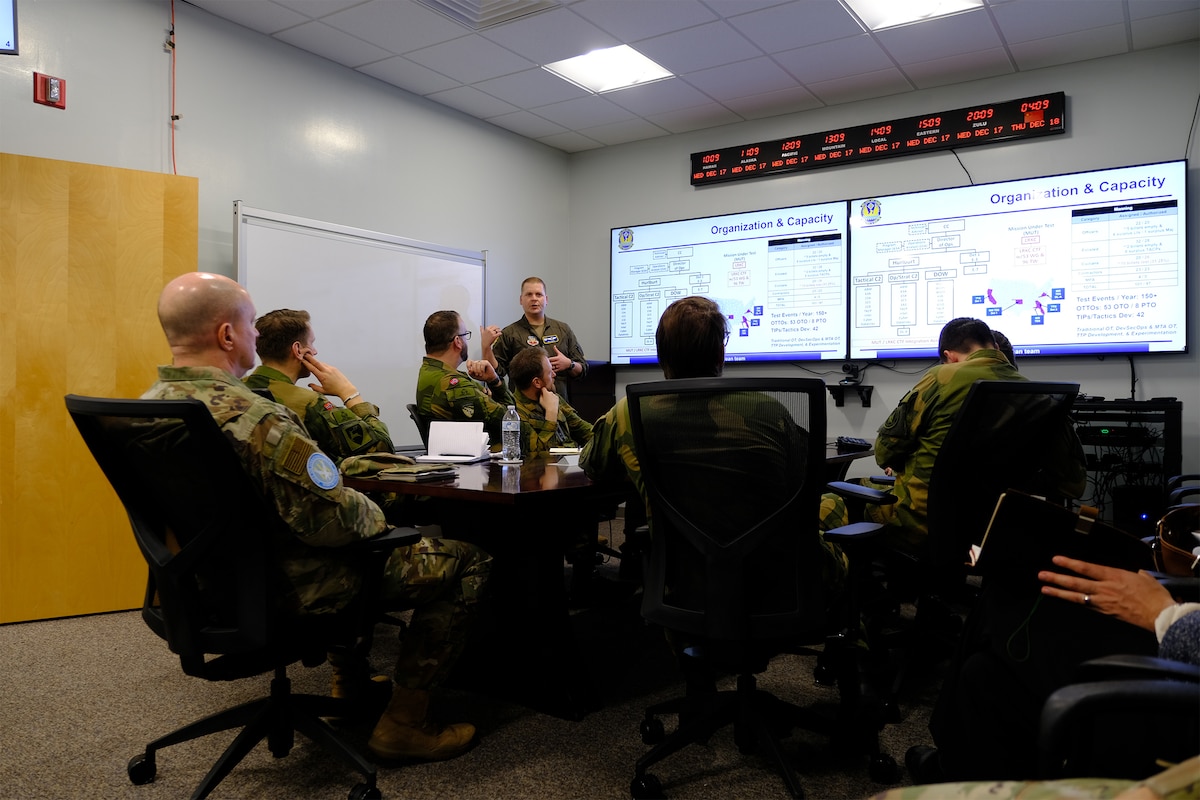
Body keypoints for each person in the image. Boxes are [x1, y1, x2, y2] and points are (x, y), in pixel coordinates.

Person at [145, 273, 492, 762]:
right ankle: (404, 723)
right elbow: (331, 520)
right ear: (227, 335)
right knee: (465, 561)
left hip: (197, 590)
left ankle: (348, 685)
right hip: (288, 590)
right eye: (247, 326)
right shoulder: (253, 417)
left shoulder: (146, 407)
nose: (252, 338)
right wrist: (381, 521)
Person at [581, 295, 851, 633]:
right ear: (720, 352)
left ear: (662, 353)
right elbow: (798, 494)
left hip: (683, 582)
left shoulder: (628, 413)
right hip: (778, 583)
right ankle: (856, 652)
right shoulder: (772, 411)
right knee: (833, 503)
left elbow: (593, 464)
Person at [907, 555, 1199, 782]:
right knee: (985, 671)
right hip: (1185, 631)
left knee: (1004, 610)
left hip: (1183, 661)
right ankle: (960, 767)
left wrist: (1165, 614)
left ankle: (951, 765)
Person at [821, 317, 1085, 551]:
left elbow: (885, 452)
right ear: (994, 346)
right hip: (993, 527)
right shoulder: (1042, 397)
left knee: (820, 507)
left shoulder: (942, 377)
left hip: (921, 523)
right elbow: (1072, 484)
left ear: (949, 356)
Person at [244, 308, 394, 463]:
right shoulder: (309, 403)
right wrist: (349, 393)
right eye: (312, 343)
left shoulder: (235, 389)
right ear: (298, 350)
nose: (315, 351)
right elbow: (382, 450)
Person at [415, 310, 516, 445]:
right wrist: (495, 381)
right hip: (485, 460)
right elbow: (510, 421)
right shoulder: (453, 384)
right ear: (458, 342)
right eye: (465, 335)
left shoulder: (430, 371)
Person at [492, 277, 588, 399]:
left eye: (538, 294)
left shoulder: (563, 330)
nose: (534, 298)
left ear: (546, 299)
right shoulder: (510, 333)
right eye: (529, 294)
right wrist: (485, 347)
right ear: (521, 300)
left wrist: (569, 364)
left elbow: (583, 369)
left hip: (559, 405)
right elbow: (497, 371)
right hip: (524, 409)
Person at [507, 345, 593, 456]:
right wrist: (551, 414)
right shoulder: (516, 414)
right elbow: (539, 455)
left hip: (572, 461)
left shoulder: (551, 395)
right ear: (537, 382)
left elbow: (582, 429)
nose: (554, 374)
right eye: (549, 372)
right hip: (547, 469)